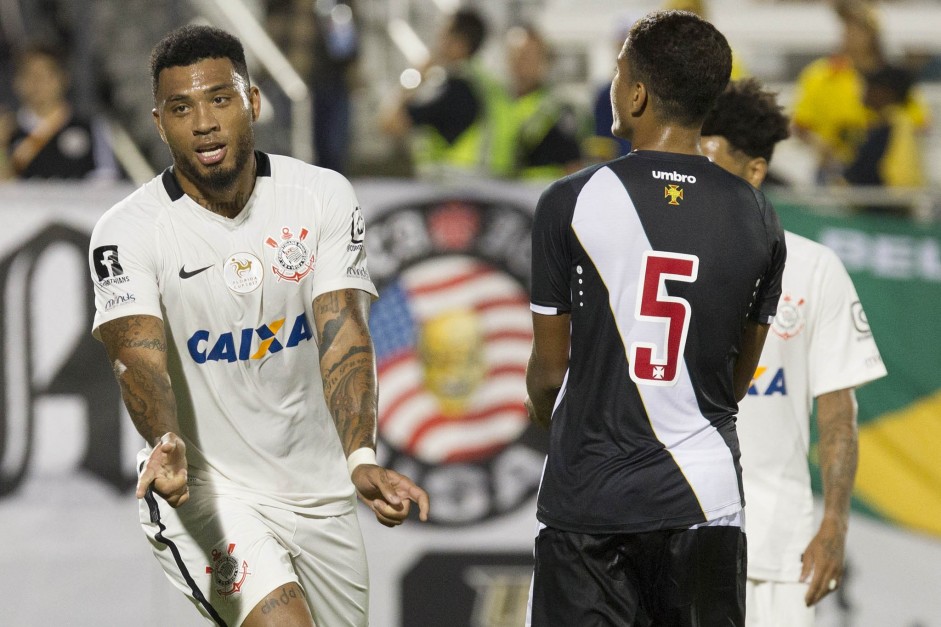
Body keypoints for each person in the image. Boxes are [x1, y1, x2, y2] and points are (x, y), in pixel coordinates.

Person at [87, 25, 429, 627]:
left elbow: (343, 335)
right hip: (207, 492)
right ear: (160, 123)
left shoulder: (320, 197)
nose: (203, 123)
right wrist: (164, 439)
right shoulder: (127, 231)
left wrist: (360, 457)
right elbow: (137, 356)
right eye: (181, 107)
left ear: (254, 102)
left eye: (220, 99)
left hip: (320, 496)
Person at [524, 11, 786, 626]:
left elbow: (548, 371)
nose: (615, 86)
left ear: (636, 94)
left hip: (590, 501)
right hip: (705, 498)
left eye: (618, 73)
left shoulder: (571, 200)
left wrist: (549, 414)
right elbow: (737, 377)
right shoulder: (760, 217)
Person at [701, 78, 888, 627]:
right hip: (677, 538)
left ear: (755, 171)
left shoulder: (811, 268)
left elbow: (837, 411)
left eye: (713, 164)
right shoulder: (665, 265)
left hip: (775, 546)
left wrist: (834, 524)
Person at [790, 0, 930, 184]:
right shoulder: (821, 75)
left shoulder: (891, 79)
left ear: (873, 34)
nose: (851, 34)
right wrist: (819, 146)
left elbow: (919, 123)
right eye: (847, 27)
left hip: (887, 170)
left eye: (858, 28)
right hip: (835, 166)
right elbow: (801, 126)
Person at [378, 8, 510, 179]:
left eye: (443, 35)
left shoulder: (453, 90)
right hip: (495, 188)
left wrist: (415, 76)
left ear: (458, 43)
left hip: (454, 191)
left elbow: (389, 123)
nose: (437, 42)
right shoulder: (490, 85)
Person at [0, 42, 119, 180]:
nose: (37, 83)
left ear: (63, 79)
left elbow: (107, 181)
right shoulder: (7, 130)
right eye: (29, 75)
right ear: (16, 82)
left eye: (46, 75)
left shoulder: (91, 127)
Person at [503, 24, 583, 180]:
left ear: (543, 61)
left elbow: (574, 167)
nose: (520, 64)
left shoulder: (558, 108)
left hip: (541, 197)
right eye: (514, 56)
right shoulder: (497, 103)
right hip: (501, 197)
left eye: (527, 57)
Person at [844, 65, 924, 192]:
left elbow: (901, 179)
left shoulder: (894, 127)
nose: (862, 92)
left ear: (885, 93)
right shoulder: (885, 124)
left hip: (882, 205)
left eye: (869, 87)